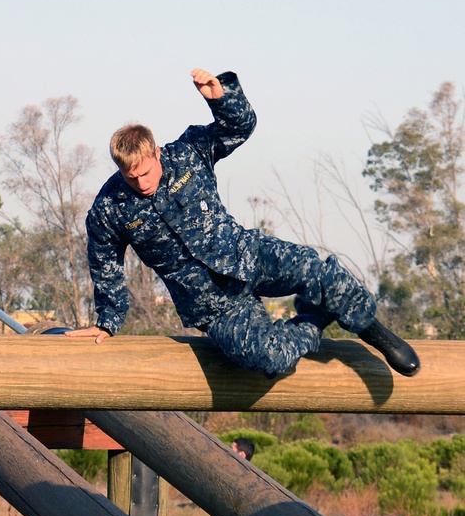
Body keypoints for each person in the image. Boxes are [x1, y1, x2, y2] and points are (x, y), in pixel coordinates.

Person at [67, 68, 421, 379]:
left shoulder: (189, 151)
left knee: (317, 269)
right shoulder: (108, 209)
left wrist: (221, 96)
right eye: (131, 178)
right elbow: (106, 265)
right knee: (268, 360)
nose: (141, 183)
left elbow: (240, 127)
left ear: (156, 152)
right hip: (212, 304)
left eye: (145, 172)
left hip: (248, 255)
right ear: (119, 170)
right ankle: (314, 320)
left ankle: (378, 335)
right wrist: (107, 323)